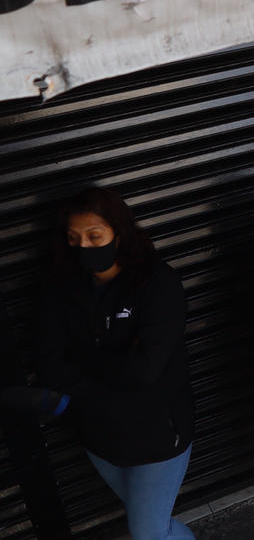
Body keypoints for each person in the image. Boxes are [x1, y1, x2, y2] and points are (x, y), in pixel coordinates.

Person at [36, 187, 195, 540]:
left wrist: (80, 360)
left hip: (156, 435)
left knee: (149, 533)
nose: (84, 246)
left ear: (119, 233)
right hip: (97, 434)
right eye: (74, 238)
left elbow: (144, 371)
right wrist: (119, 362)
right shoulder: (60, 288)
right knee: (151, 523)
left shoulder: (158, 284)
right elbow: (49, 367)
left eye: (95, 236)